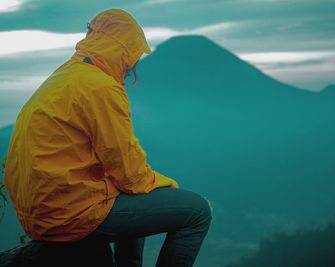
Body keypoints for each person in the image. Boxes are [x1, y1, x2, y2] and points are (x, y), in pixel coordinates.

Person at [4, 8, 212, 267]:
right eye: (131, 57)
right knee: (197, 211)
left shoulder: (65, 77)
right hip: (70, 214)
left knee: (137, 193)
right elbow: (129, 171)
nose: (130, 67)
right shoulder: (101, 87)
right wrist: (165, 184)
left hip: (43, 212)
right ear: (122, 52)